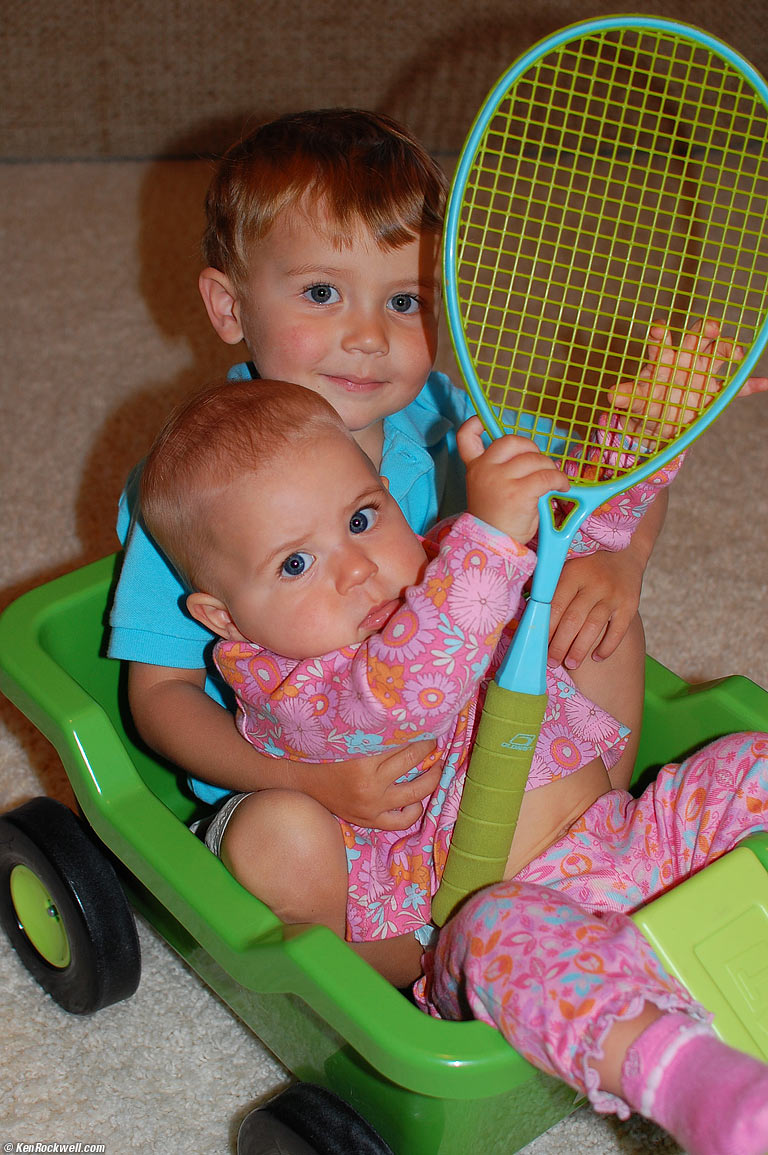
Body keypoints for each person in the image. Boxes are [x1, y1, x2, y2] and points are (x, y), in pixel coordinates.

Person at [139, 377, 768, 1155]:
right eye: (295, 564)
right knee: (508, 940)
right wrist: (489, 539)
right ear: (226, 617)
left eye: (364, 518)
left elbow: (575, 536)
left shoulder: (446, 563)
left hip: (626, 840)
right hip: (477, 926)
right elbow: (403, 688)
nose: (357, 569)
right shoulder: (289, 686)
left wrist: (642, 434)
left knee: (746, 762)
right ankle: (700, 1087)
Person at [107, 107, 667, 848]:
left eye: (404, 301)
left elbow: (612, 481)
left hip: (456, 752)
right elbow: (161, 698)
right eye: (320, 293)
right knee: (280, 839)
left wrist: (620, 561)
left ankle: (599, 841)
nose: (369, 337)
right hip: (308, 784)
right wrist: (308, 781)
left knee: (597, 618)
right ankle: (354, 955)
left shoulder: (448, 423)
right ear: (228, 306)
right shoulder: (198, 491)